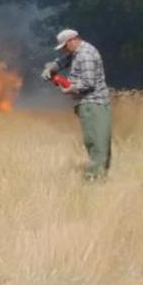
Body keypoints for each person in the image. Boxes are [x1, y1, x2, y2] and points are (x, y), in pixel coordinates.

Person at [41, 29, 112, 180]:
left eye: (65, 46)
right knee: (98, 141)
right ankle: (100, 178)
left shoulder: (85, 55)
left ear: (73, 40)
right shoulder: (79, 52)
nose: (65, 50)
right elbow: (63, 61)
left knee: (95, 142)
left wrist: (70, 88)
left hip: (92, 103)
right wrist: (51, 68)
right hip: (92, 103)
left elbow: (88, 83)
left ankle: (93, 180)